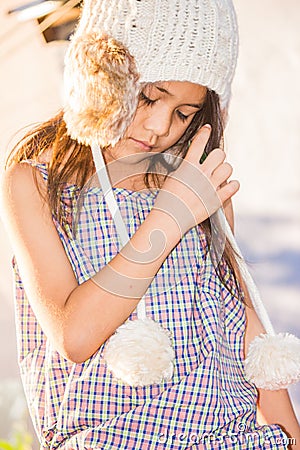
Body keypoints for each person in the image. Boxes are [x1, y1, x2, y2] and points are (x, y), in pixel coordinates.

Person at [1, 0, 300, 448]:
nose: (160, 127)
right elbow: (74, 336)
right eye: (149, 96)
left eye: (184, 114)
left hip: (232, 436)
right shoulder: (36, 183)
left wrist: (290, 433)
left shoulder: (197, 186)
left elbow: (241, 321)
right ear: (102, 74)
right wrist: (170, 217)